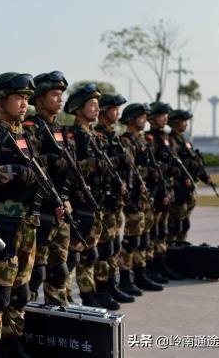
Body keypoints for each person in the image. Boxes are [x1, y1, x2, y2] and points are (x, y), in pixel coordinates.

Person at [0, 72, 63, 357]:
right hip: (1, 223)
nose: (24, 104)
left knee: (21, 292)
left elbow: (39, 175)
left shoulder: (26, 136)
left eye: (26, 99)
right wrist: (14, 172)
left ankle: (13, 339)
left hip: (28, 222)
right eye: (18, 98)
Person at [63, 83, 122, 308]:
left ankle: (90, 293)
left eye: (98, 105)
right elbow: (72, 167)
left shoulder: (95, 135)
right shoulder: (73, 134)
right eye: (92, 105)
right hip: (81, 203)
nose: (97, 109)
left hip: (97, 201)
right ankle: (68, 298)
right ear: (79, 109)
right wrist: (95, 164)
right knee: (74, 256)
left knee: (91, 253)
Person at [23, 71, 71, 306]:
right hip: (39, 209)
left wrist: (67, 198)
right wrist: (49, 160)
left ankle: (58, 311)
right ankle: (29, 316)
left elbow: (70, 171)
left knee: (59, 268)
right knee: (35, 271)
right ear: (39, 98)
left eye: (61, 94)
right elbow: (28, 162)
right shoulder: (30, 128)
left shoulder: (62, 130)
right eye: (54, 94)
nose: (60, 99)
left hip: (61, 207)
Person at [118, 103, 164, 296]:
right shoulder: (126, 141)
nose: (145, 119)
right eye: (141, 116)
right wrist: (148, 172)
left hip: (146, 197)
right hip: (134, 197)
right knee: (131, 239)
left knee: (144, 238)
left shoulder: (143, 141)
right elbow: (129, 170)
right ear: (131, 119)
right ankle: (126, 277)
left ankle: (140, 272)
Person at [94, 93, 134, 306]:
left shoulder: (113, 136)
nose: (118, 113)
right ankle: (101, 288)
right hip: (104, 200)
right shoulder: (98, 135)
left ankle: (111, 285)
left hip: (116, 200)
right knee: (104, 248)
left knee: (114, 245)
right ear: (104, 110)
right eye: (114, 109)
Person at [145, 102, 184, 281]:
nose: (165, 118)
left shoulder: (166, 137)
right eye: (162, 115)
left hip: (166, 189)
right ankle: (150, 266)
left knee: (162, 230)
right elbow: (148, 164)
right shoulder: (149, 138)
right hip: (155, 191)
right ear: (152, 117)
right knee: (152, 232)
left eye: (166, 115)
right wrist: (166, 166)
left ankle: (161, 263)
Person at [167, 109, 213, 245]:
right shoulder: (171, 141)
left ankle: (181, 243)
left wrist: (205, 177)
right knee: (175, 224)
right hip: (178, 188)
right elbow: (174, 164)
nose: (186, 124)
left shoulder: (184, 141)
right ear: (175, 123)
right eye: (183, 121)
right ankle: (172, 247)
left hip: (188, 189)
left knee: (185, 223)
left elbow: (195, 162)